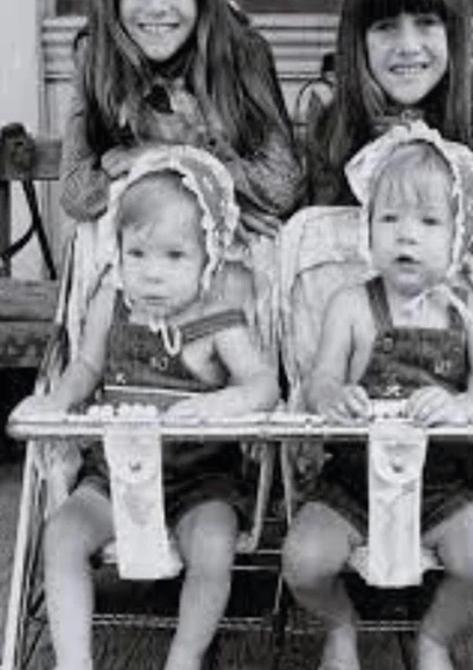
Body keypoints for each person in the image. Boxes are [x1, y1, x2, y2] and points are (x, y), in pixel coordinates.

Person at [22, 147, 279, 670]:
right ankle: (74, 661)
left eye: (174, 257)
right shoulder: (109, 304)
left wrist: (222, 403)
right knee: (62, 534)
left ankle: (183, 656)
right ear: (118, 251)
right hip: (113, 474)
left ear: (209, 258)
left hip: (200, 478)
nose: (152, 275)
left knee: (213, 547)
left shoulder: (218, 321)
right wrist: (60, 399)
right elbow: (87, 366)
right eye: (136, 255)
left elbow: (264, 385)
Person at [282, 130, 473, 670]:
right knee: (303, 562)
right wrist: (334, 395)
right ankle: (340, 623)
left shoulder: (471, 311)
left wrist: (461, 407)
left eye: (428, 222)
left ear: (458, 236)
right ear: (368, 230)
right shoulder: (351, 305)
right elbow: (318, 381)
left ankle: (434, 636)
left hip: (442, 485)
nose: (406, 235)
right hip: (353, 483)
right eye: (390, 220)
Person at [60, 0, 302, 233]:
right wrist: (214, 189)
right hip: (138, 250)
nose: (156, 7)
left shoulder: (243, 53)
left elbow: (282, 187)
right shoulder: (97, 55)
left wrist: (167, 162)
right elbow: (76, 191)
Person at [304, 0, 473, 247]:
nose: (407, 45)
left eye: (426, 23)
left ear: (452, 33)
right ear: (359, 40)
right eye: (386, 27)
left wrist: (431, 148)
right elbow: (320, 229)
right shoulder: (332, 113)